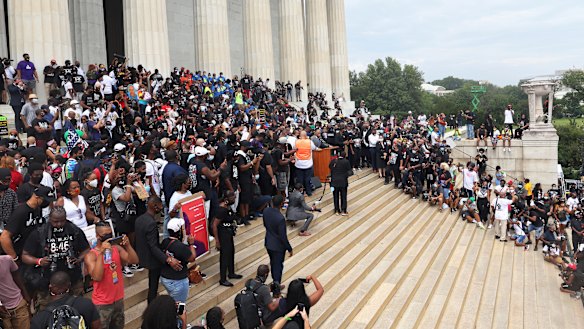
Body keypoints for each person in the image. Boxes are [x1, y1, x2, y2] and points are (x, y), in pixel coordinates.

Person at [22, 206, 90, 308]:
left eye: (62, 221)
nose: (59, 224)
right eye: (55, 221)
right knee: (47, 310)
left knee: (77, 307)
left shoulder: (74, 230)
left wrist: (79, 259)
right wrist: (39, 261)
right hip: (46, 282)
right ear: (49, 218)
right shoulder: (39, 233)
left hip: (72, 279)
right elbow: (25, 256)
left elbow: (86, 249)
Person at [84, 221, 139, 329]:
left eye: (110, 233)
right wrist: (101, 254)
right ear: (97, 236)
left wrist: (128, 246)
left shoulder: (116, 248)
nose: (108, 237)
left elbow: (134, 260)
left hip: (118, 299)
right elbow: (97, 277)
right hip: (102, 303)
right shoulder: (91, 255)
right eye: (105, 235)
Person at [135, 195, 183, 304]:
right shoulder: (151, 223)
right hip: (153, 260)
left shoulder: (139, 219)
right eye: (160, 206)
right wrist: (168, 260)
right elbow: (153, 246)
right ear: (154, 206)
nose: (161, 208)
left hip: (143, 256)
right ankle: (152, 306)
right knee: (153, 286)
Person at [0, 185, 55, 262]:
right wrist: (14, 257)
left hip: (30, 253)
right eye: (45, 200)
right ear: (36, 197)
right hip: (19, 253)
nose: (47, 203)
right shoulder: (21, 212)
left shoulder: (37, 209)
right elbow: (4, 237)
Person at [30, 271, 101, 329]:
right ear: (69, 285)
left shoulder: (40, 318)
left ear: (50, 287)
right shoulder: (86, 304)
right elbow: (97, 326)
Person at [160, 217, 197, 326]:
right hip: (178, 281)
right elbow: (192, 258)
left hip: (166, 279)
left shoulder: (165, 242)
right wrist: (191, 244)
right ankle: (179, 324)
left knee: (173, 303)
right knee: (179, 306)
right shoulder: (181, 247)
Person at [211, 190, 243, 287]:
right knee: (224, 256)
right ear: (226, 199)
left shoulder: (227, 207)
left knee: (231, 253)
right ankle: (223, 279)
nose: (234, 198)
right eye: (232, 197)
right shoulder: (221, 210)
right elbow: (214, 225)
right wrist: (217, 241)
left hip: (229, 234)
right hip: (223, 235)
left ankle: (231, 272)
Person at [263, 195, 293, 284]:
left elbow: (265, 224)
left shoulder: (266, 211)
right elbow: (283, 236)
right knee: (278, 267)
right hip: (278, 247)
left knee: (273, 264)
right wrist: (289, 248)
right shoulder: (280, 218)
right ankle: (276, 288)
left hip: (268, 242)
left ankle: (275, 284)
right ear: (281, 204)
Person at [0, 255, 31, 329]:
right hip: (3, 312)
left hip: (18, 304)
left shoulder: (7, 260)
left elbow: (17, 277)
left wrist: (25, 295)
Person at [294, 131, 319, 196]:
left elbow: (294, 149)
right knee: (307, 179)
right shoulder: (309, 142)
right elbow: (314, 148)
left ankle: (300, 193)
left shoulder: (296, 141)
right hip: (308, 163)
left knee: (300, 179)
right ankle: (308, 192)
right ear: (306, 136)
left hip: (299, 163)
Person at [329, 151, 351, 216]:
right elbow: (349, 171)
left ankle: (336, 210)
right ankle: (343, 210)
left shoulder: (333, 161)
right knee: (343, 196)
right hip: (343, 182)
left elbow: (330, 167)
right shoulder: (346, 161)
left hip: (333, 183)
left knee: (335, 196)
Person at [0, 168, 18, 233]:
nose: (7, 183)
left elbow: (15, 210)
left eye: (9, 180)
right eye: (5, 181)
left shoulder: (12, 193)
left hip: (7, 228)